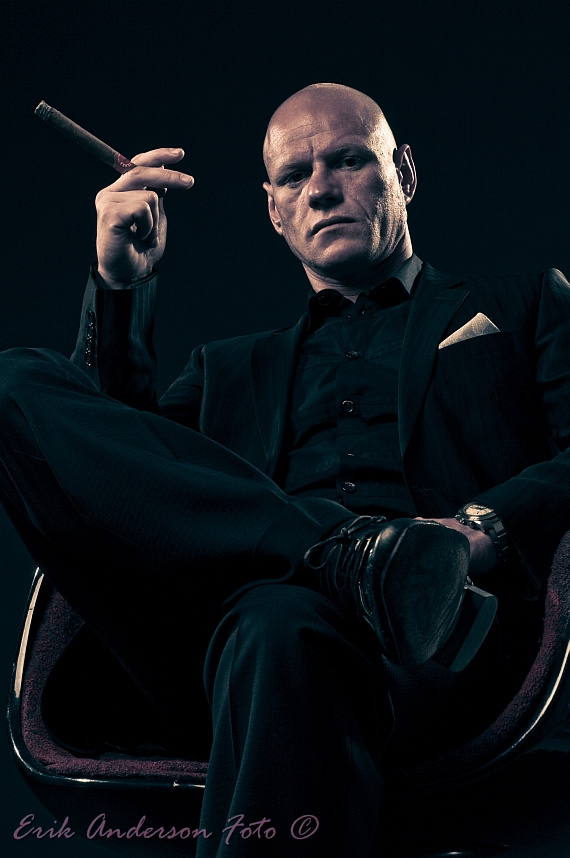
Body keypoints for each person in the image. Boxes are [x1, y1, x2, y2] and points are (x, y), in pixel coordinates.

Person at [1, 82, 570, 857]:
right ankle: (342, 551)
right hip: (209, 653)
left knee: (281, 624)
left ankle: (360, 568)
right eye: (296, 176)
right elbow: (110, 478)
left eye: (349, 161)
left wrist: (479, 532)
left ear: (404, 172)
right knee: (14, 382)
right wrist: (121, 284)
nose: (322, 189)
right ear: (274, 211)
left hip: (442, 645)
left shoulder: (526, 303)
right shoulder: (224, 369)